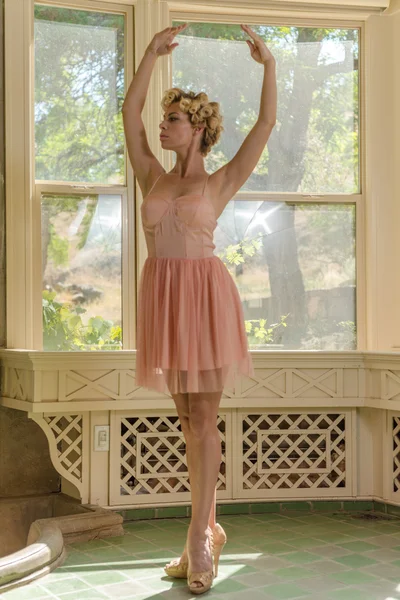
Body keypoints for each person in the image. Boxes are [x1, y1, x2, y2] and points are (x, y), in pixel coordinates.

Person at [122, 22, 277, 595]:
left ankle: (197, 540)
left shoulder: (220, 183)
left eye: (173, 120)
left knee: (203, 421)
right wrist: (148, 55)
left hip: (205, 301)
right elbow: (129, 114)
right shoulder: (151, 175)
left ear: (197, 130)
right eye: (164, 119)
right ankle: (208, 529)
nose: (162, 126)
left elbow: (264, 126)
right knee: (187, 421)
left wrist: (271, 66)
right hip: (164, 300)